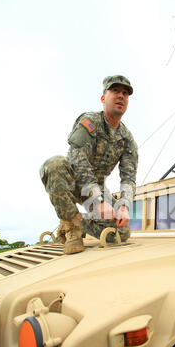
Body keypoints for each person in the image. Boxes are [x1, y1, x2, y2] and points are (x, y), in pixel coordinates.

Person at [40, 75, 138, 254]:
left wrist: (124, 205)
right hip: (72, 180)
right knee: (54, 164)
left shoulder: (127, 139)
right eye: (115, 91)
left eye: (125, 93)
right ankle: (72, 229)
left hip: (98, 190)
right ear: (103, 98)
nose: (121, 96)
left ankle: (79, 221)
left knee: (121, 233)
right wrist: (97, 201)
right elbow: (78, 160)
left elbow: (129, 177)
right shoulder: (89, 122)